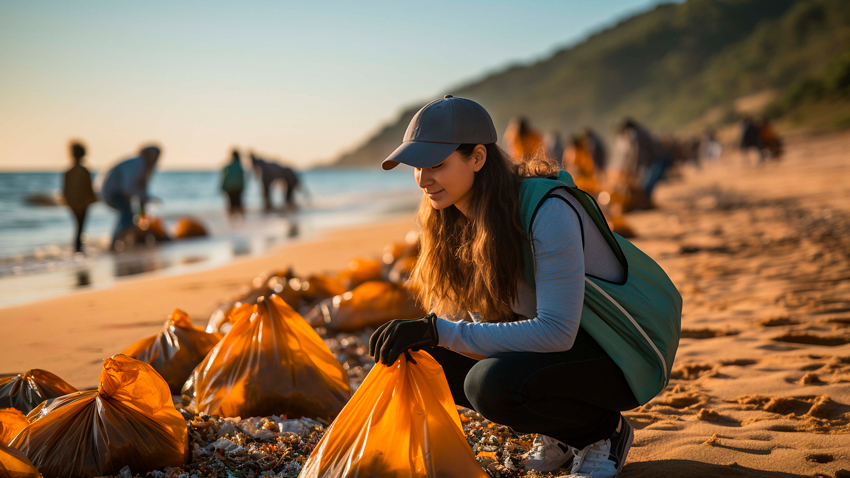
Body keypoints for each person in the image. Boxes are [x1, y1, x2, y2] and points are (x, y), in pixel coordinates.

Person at [372, 95, 652, 477]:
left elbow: (557, 332)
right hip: (560, 353)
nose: (423, 179)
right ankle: (559, 430)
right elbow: (462, 319)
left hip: (621, 353)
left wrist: (438, 330)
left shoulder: (547, 211)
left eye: (436, 164)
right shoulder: (453, 217)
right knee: (425, 357)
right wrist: (425, 334)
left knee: (490, 386)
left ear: (477, 159)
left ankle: (602, 432)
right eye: (416, 167)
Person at [100, 145, 161, 250]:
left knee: (130, 216)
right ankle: (114, 244)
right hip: (113, 191)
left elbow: (140, 190)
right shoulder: (139, 163)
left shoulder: (144, 166)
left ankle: (125, 242)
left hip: (119, 191)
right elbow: (128, 188)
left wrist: (143, 215)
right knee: (128, 214)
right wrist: (146, 198)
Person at [62, 141, 98, 253]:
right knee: (80, 227)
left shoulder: (68, 172)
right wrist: (92, 199)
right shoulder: (84, 171)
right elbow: (89, 189)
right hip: (83, 204)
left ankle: (77, 248)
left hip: (73, 203)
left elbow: (65, 191)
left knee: (78, 226)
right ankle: (78, 249)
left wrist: (68, 202)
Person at [221, 149, 245, 223]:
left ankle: (231, 221)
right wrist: (243, 187)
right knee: (238, 205)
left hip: (229, 188)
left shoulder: (227, 166)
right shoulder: (239, 166)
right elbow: (242, 178)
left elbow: (224, 177)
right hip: (238, 188)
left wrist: (223, 187)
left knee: (231, 205)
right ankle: (241, 221)